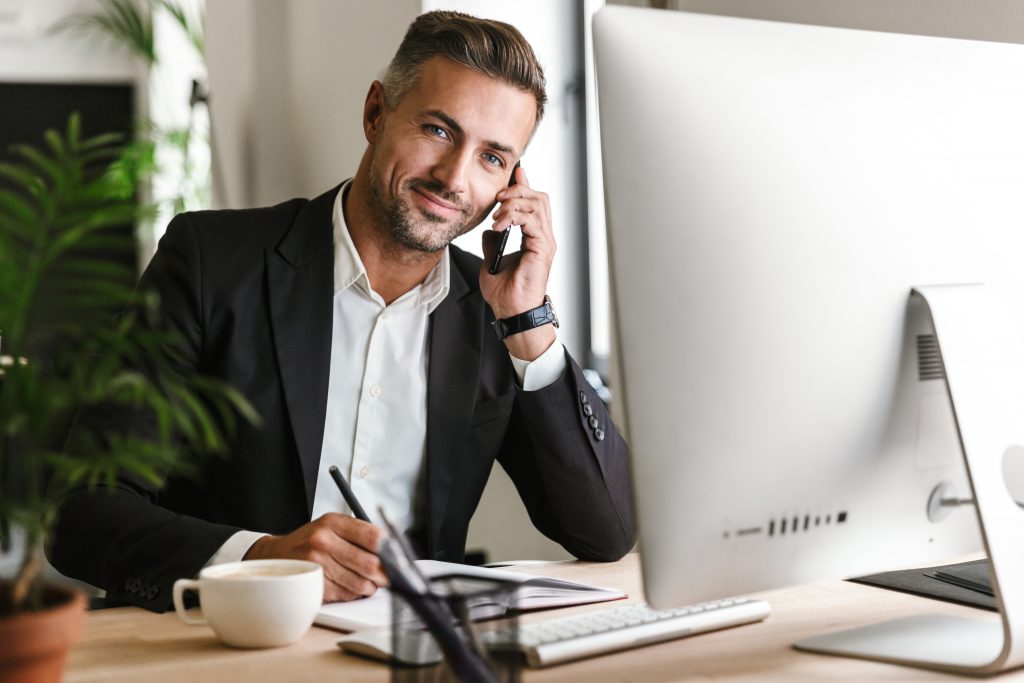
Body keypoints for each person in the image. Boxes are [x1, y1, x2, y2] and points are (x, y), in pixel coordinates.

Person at [48, 10, 634, 611]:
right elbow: (84, 511)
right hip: (226, 644)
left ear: (513, 181)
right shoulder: (210, 262)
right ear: (376, 113)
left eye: (492, 158)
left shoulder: (492, 313)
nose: (454, 177)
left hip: (409, 652)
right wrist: (262, 558)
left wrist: (527, 322)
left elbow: (606, 530)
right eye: (437, 130)